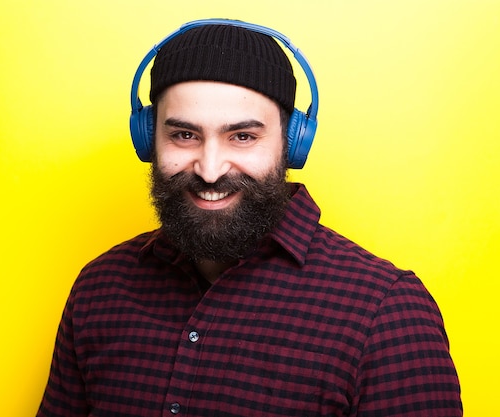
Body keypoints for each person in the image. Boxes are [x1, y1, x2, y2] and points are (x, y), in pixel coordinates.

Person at [37, 19, 462, 417]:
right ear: (149, 139)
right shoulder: (99, 287)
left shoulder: (387, 313)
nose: (210, 168)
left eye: (242, 136)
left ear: (292, 145)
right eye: (184, 135)